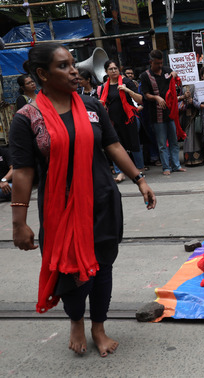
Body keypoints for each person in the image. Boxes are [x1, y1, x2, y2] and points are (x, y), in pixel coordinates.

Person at [9, 43, 156, 357]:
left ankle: (98, 326)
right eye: (63, 66)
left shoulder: (91, 105)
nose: (75, 70)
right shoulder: (26, 119)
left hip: (103, 203)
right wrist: (19, 224)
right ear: (42, 75)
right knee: (71, 274)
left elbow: (113, 146)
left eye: (73, 64)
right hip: (60, 213)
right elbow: (22, 173)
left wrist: (139, 179)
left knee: (103, 269)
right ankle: (76, 319)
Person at [139, 50, 186, 175]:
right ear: (151, 62)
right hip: (156, 114)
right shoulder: (145, 76)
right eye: (157, 63)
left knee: (174, 141)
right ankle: (166, 167)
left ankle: (176, 165)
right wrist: (156, 98)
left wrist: (175, 75)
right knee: (162, 143)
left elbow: (175, 81)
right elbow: (146, 94)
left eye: (161, 63)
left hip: (171, 113)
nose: (160, 66)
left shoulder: (166, 70)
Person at [100, 60, 145, 182]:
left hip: (129, 118)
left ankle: (138, 169)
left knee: (134, 144)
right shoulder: (105, 86)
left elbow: (140, 99)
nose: (114, 71)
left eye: (115, 68)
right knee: (116, 145)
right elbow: (106, 102)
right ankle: (120, 172)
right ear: (106, 71)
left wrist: (127, 90)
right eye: (111, 69)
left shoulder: (126, 82)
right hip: (114, 120)